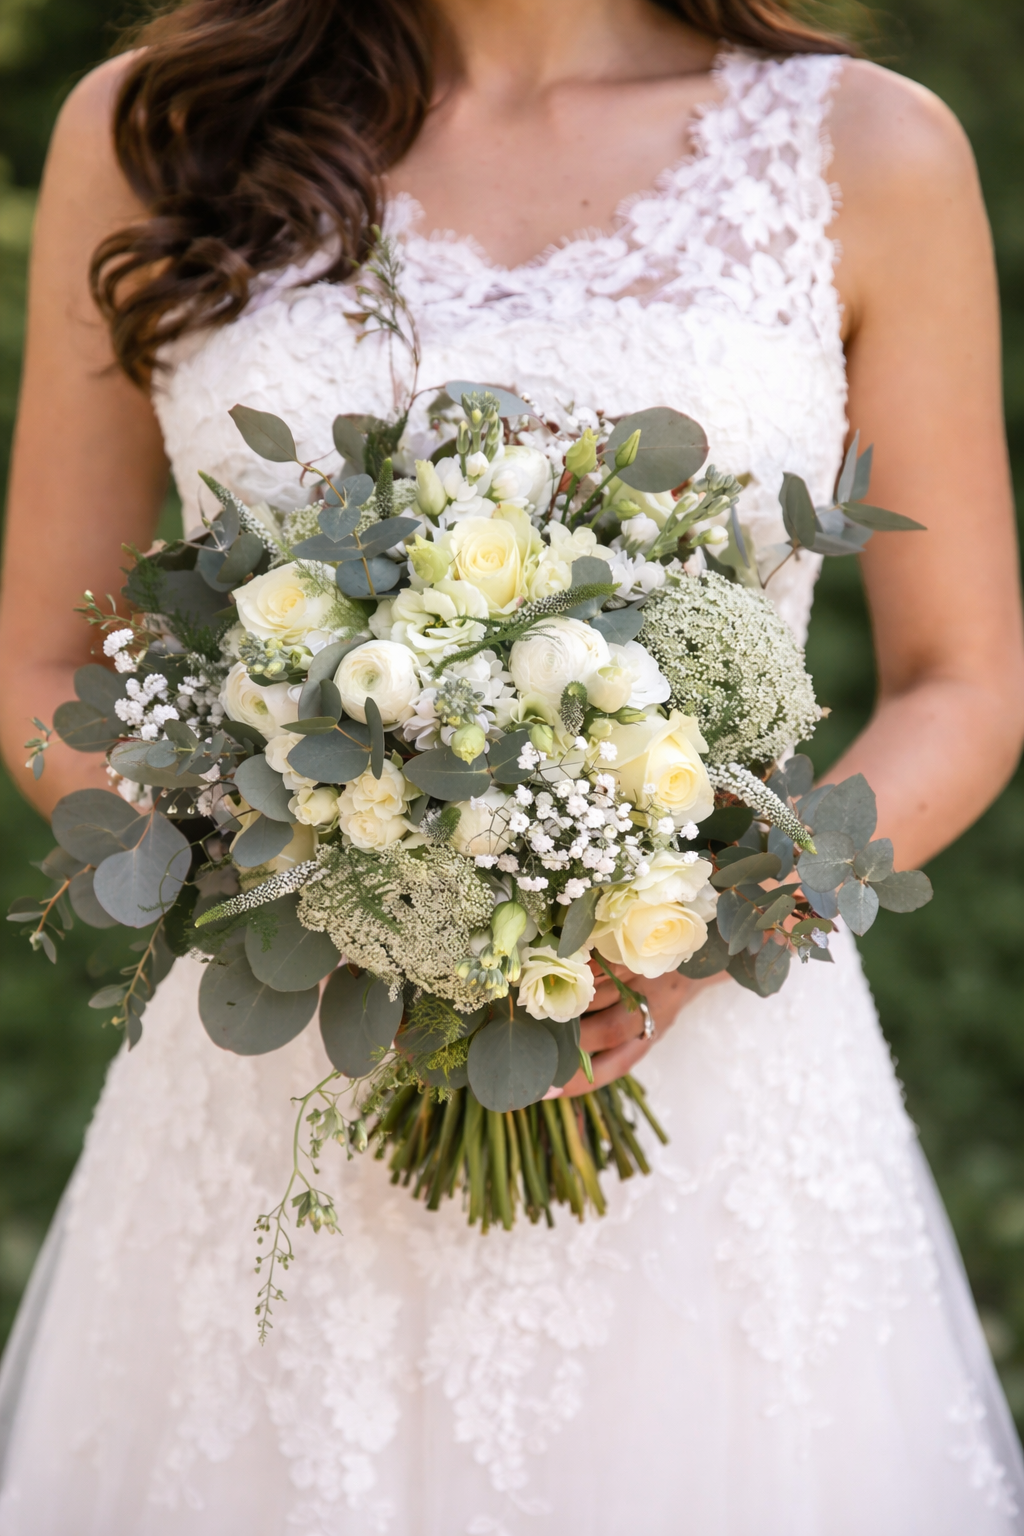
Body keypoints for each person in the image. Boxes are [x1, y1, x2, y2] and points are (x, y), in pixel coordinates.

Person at [1, 0, 1023, 1529]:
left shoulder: (867, 151)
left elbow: (966, 682)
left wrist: (719, 925)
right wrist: (300, 878)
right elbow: (43, 661)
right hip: (278, 1086)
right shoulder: (156, 130)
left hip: (714, 1084)